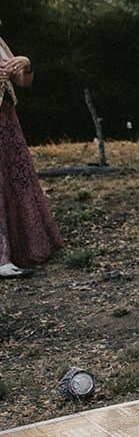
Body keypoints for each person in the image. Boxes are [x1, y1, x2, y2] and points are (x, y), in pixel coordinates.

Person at [0, 32, 63, 278]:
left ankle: (18, 249)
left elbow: (24, 82)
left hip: (7, 122)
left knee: (17, 180)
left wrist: (25, 63)